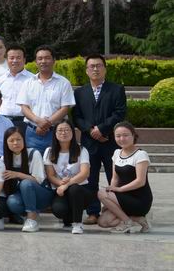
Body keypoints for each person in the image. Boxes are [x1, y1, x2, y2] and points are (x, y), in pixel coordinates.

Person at [72, 53, 127, 225]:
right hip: (89, 142)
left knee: (114, 177)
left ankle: (115, 209)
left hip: (110, 141)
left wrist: (102, 129)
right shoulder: (79, 92)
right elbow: (77, 117)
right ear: (86, 70)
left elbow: (119, 113)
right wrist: (91, 130)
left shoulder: (116, 89)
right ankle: (93, 212)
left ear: (105, 69)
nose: (95, 69)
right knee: (90, 179)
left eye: (99, 66)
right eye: (91, 66)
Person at [17, 45, 75, 152]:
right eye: (40, 58)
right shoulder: (28, 83)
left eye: (47, 58)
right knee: (33, 161)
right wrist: (38, 121)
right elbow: (24, 107)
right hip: (32, 133)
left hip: (56, 133)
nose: (43, 61)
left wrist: (46, 124)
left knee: (55, 161)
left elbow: (65, 108)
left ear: (54, 60)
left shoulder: (63, 83)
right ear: (36, 62)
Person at [98, 122, 153, 233]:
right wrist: (110, 199)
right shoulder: (117, 153)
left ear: (133, 135)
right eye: (118, 136)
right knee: (103, 222)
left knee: (101, 193)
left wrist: (118, 190)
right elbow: (115, 178)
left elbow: (140, 181)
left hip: (139, 199)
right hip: (122, 197)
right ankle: (137, 219)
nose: (122, 139)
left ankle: (127, 222)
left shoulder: (140, 154)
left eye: (125, 135)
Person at [44, 120, 90, 233]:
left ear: (72, 132)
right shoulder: (49, 151)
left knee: (74, 189)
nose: (63, 133)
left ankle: (78, 224)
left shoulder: (81, 149)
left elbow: (84, 173)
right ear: (55, 133)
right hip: (60, 189)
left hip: (80, 188)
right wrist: (61, 183)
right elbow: (50, 175)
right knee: (59, 210)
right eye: (60, 130)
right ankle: (69, 217)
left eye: (67, 130)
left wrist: (67, 184)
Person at [0, 44, 33, 130]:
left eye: (18, 58)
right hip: (3, 120)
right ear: (7, 60)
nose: (15, 61)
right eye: (11, 58)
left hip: (25, 121)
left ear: (24, 60)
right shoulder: (0, 80)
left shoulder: (33, 79)